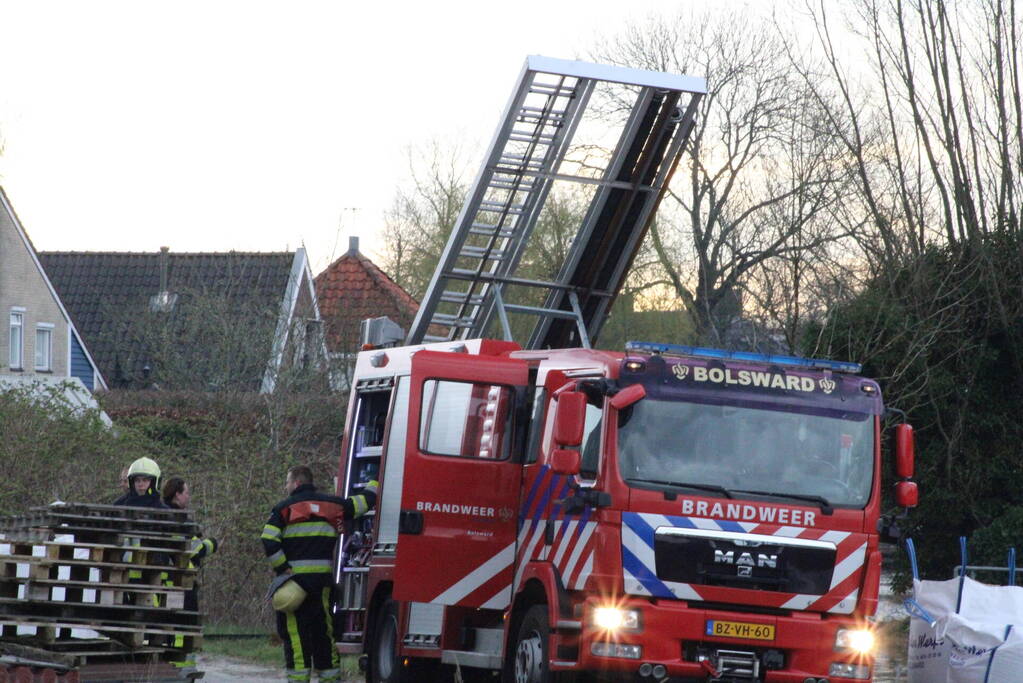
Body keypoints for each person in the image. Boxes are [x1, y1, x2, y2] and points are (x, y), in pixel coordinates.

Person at [262, 465, 378, 683]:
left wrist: (282, 567)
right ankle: (329, 678)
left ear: (296, 483)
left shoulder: (283, 509)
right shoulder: (333, 505)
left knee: (296, 636)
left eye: (287, 482)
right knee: (323, 633)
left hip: (294, 584)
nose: (286, 487)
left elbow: (268, 539)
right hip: (322, 583)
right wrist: (376, 479)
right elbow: (363, 503)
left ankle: (299, 679)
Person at [162, 476, 218, 673]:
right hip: (181, 582)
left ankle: (176, 666)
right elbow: (194, 550)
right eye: (186, 492)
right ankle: (182, 667)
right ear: (177, 495)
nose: (189, 496)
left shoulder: (163, 515)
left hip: (169, 581)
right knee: (184, 625)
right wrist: (212, 543)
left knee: (173, 625)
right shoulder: (178, 520)